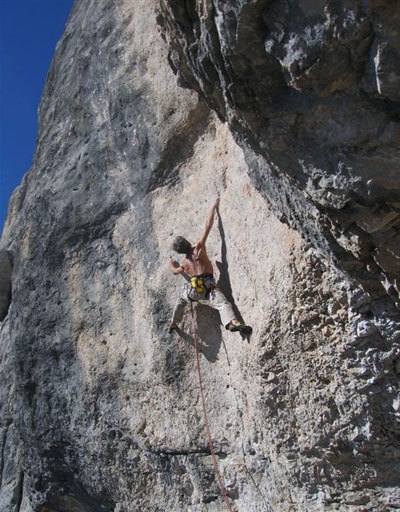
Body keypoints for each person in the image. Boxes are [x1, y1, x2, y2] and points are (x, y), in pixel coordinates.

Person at [168, 197, 252, 335]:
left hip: (195, 291)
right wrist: (213, 206)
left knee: (181, 300)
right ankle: (232, 323)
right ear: (188, 242)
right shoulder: (199, 249)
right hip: (209, 287)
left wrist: (172, 264)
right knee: (223, 304)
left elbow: (175, 272)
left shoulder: (184, 264)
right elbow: (208, 225)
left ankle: (173, 322)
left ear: (180, 252)